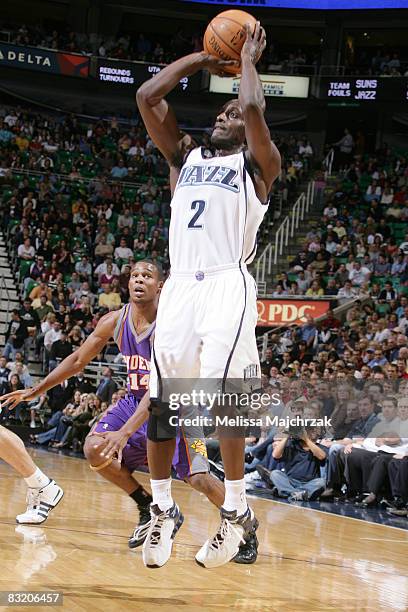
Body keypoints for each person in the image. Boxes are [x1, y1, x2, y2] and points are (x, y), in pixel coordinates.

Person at [136, 21, 280, 568]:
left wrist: (244, 60)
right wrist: (202, 57)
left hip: (226, 282)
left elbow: (253, 110)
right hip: (182, 285)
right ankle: (164, 508)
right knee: (164, 403)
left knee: (227, 397)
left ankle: (236, 511)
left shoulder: (258, 167)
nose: (225, 116)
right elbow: (147, 97)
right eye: (219, 113)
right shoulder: (185, 159)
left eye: (231, 116)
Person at [0, 262, 255, 563]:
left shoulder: (172, 327)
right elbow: (79, 359)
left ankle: (247, 528)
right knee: (96, 449)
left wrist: (126, 432)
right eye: (135, 275)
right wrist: (36, 389)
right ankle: (149, 505)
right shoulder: (115, 320)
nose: (139, 280)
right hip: (135, 401)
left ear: (160, 286)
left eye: (147, 276)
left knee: (199, 479)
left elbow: (162, 389)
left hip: (178, 408)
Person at [0, 425, 63, 523]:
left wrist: (97, 429)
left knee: (91, 449)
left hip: (96, 429)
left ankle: (41, 484)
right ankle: (40, 483)